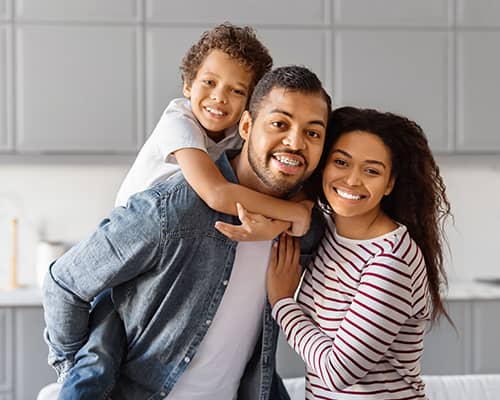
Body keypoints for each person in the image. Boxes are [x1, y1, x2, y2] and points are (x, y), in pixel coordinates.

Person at [42, 65, 332, 400]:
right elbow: (65, 282)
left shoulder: (303, 231)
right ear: (248, 125)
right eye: (279, 124)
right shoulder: (175, 209)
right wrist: (75, 375)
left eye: (313, 133)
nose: (295, 142)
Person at [266, 106, 452, 399]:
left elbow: (337, 372)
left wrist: (282, 303)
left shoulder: (391, 260)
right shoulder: (327, 232)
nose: (352, 180)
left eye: (371, 170)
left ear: (389, 183)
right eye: (341, 162)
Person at [115, 22, 313, 238]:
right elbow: (216, 193)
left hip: (178, 233)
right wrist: (294, 213)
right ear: (188, 85)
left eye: (237, 90)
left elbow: (289, 181)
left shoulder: (241, 132)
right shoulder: (178, 121)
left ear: (250, 102)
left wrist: (281, 222)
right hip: (130, 231)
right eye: (209, 82)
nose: (219, 97)